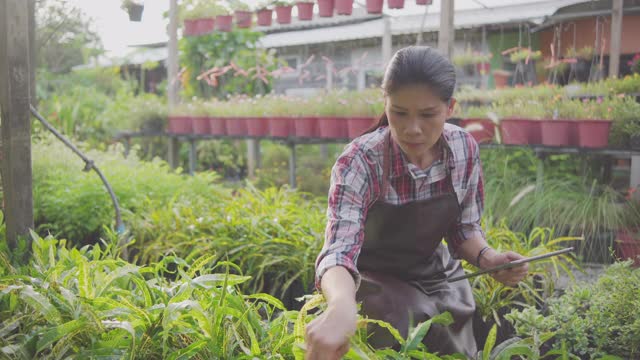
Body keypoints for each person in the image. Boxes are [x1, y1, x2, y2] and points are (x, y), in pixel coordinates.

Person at [304, 46, 529, 359]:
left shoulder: (462, 148)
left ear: (450, 107)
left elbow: (463, 228)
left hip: (436, 278)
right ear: (385, 103)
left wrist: (488, 259)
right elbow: (338, 252)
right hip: (376, 286)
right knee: (408, 328)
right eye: (399, 112)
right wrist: (341, 306)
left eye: (427, 115)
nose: (412, 129)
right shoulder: (360, 162)